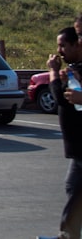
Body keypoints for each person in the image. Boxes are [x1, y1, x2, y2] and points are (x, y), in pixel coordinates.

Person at [40, 26, 82, 239]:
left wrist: (54, 73)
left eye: (63, 45)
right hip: (77, 150)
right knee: (72, 189)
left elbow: (62, 100)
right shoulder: (76, 69)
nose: (60, 50)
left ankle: (67, 236)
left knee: (75, 196)